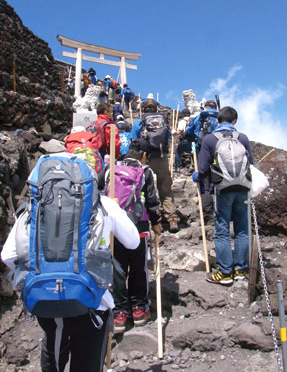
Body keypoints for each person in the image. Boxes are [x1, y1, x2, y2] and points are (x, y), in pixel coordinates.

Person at [1, 185, 139, 371]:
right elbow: (133, 241)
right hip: (93, 304)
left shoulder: (35, 206)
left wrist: (40, 277)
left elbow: (8, 256)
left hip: (47, 301)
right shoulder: (103, 205)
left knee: (53, 352)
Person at [102, 140, 162, 334]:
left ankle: (119, 312)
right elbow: (152, 200)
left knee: (117, 269)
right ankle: (139, 309)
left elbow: (97, 192)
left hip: (114, 227)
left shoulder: (111, 169)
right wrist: (156, 223)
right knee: (138, 268)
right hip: (139, 227)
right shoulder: (145, 172)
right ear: (143, 155)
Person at [194, 106, 253, 285]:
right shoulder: (242, 138)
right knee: (242, 229)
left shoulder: (210, 139)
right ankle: (241, 269)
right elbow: (251, 163)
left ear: (217, 121)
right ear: (234, 121)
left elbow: (203, 168)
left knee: (222, 231)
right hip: (243, 187)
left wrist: (197, 177)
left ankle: (225, 273)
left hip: (222, 189)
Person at [130, 99, 180, 233]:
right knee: (165, 188)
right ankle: (172, 218)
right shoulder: (163, 122)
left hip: (146, 159)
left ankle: (152, 220)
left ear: (144, 109)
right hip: (162, 158)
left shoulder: (139, 122)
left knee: (146, 189)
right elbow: (169, 139)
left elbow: (133, 141)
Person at [186, 100, 219, 222]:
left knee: (204, 182)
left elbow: (189, 130)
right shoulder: (219, 117)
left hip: (202, 151)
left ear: (204, 107)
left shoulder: (200, 116)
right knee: (218, 180)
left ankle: (208, 215)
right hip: (219, 151)